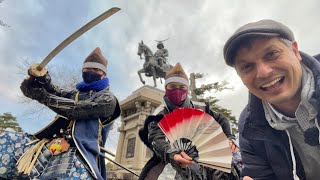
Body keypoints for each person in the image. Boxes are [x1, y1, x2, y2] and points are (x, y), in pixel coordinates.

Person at [0, 47, 120, 180]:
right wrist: (41, 80)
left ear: (104, 74)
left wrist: (42, 96)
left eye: (96, 70)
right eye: (87, 69)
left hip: (79, 154)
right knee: (7, 140)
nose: (91, 72)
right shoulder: (74, 94)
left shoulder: (108, 100)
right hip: (47, 143)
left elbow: (76, 109)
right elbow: (54, 91)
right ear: (82, 71)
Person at [223, 19, 320, 180]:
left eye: (271, 54)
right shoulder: (249, 127)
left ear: (295, 51)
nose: (264, 72)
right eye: (247, 66)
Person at [138, 63, 238, 179]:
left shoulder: (202, 108)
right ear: (166, 88)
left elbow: (222, 119)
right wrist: (172, 154)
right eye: (173, 87)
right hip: (172, 161)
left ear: (187, 89)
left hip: (205, 158)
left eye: (182, 87)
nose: (177, 90)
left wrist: (230, 137)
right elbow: (156, 138)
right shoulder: (159, 114)